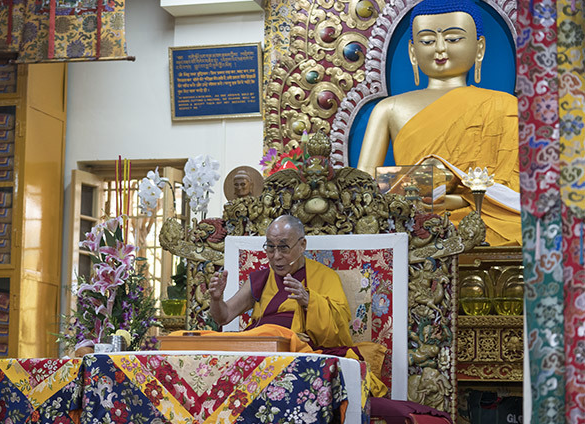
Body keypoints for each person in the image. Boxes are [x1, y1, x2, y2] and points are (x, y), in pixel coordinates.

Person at [356, 0, 521, 246]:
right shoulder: (389, 109)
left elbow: (515, 187)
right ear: (412, 52)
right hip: (411, 222)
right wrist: (428, 185)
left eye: (454, 39)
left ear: (479, 48)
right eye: (427, 41)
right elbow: (361, 188)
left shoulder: (505, 106)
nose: (440, 49)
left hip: (484, 221)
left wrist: (458, 198)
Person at [209, 215, 353, 349]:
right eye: (271, 247)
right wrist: (216, 299)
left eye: (283, 247)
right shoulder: (262, 279)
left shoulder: (325, 277)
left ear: (302, 245)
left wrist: (309, 301)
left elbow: (339, 330)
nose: (276, 256)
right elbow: (224, 316)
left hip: (301, 352)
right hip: (262, 349)